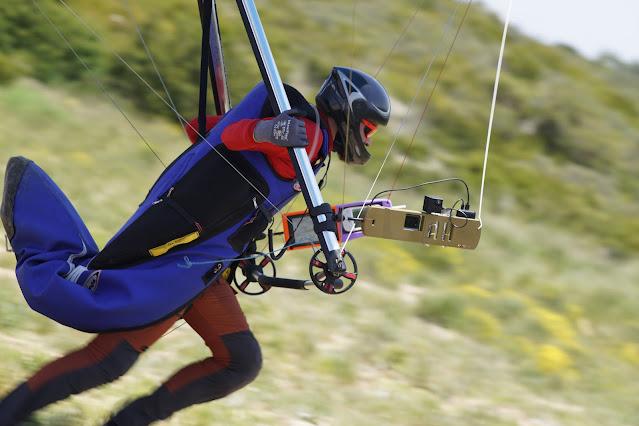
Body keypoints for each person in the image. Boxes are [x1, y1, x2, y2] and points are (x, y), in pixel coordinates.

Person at [0, 67, 390, 425]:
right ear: (350, 110)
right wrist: (264, 133)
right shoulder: (308, 134)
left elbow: (199, 131)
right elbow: (230, 138)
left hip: (206, 266)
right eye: (369, 128)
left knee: (239, 360)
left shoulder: (311, 148)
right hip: (182, 267)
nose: (367, 139)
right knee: (109, 360)